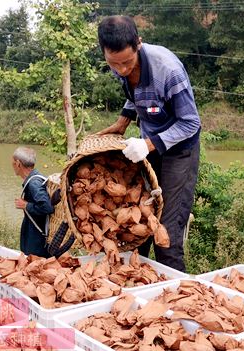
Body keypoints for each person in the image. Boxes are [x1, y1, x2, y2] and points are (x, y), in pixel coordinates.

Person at [97, 15, 201, 272]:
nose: (121, 70)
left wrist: (149, 144)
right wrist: (123, 121)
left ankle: (178, 290)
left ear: (139, 44)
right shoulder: (121, 66)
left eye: (127, 62)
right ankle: (136, 282)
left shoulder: (168, 70)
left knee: (165, 230)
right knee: (137, 219)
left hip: (180, 150)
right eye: (114, 64)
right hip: (149, 143)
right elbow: (136, 95)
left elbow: (191, 123)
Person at [12, 147, 54, 257]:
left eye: (13, 163)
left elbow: (47, 207)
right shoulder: (37, 178)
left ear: (18, 163)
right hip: (37, 235)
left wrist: (26, 205)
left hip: (37, 240)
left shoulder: (34, 183)